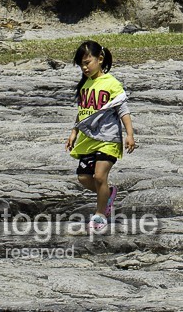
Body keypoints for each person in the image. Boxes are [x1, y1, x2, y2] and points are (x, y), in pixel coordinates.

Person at [67, 40, 135, 234]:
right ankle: (108, 194)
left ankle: (100, 214)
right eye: (82, 64)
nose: (85, 67)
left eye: (88, 62)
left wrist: (129, 134)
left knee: (99, 176)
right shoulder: (85, 85)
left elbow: (123, 110)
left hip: (108, 138)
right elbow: (83, 112)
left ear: (100, 59)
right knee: (83, 178)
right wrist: (73, 132)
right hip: (88, 140)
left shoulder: (111, 83)